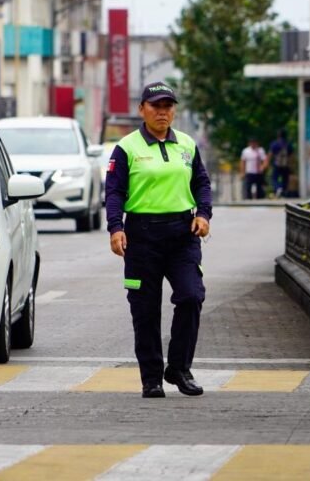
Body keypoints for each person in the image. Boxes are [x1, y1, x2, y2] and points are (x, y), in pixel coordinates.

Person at [105, 81, 212, 399]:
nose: (162, 112)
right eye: (155, 106)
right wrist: (115, 228)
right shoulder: (126, 148)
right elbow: (114, 191)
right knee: (145, 309)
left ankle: (179, 368)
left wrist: (203, 214)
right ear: (142, 109)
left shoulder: (187, 146)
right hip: (142, 237)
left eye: (168, 106)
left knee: (191, 296)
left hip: (183, 234)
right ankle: (151, 378)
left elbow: (202, 183)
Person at [269, 129, 293, 198]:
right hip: (286, 165)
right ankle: (283, 192)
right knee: (285, 179)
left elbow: (270, 154)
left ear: (278, 135)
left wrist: (266, 164)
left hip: (277, 164)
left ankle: (278, 188)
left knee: (274, 178)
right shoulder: (288, 144)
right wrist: (291, 166)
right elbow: (291, 157)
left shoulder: (274, 144)